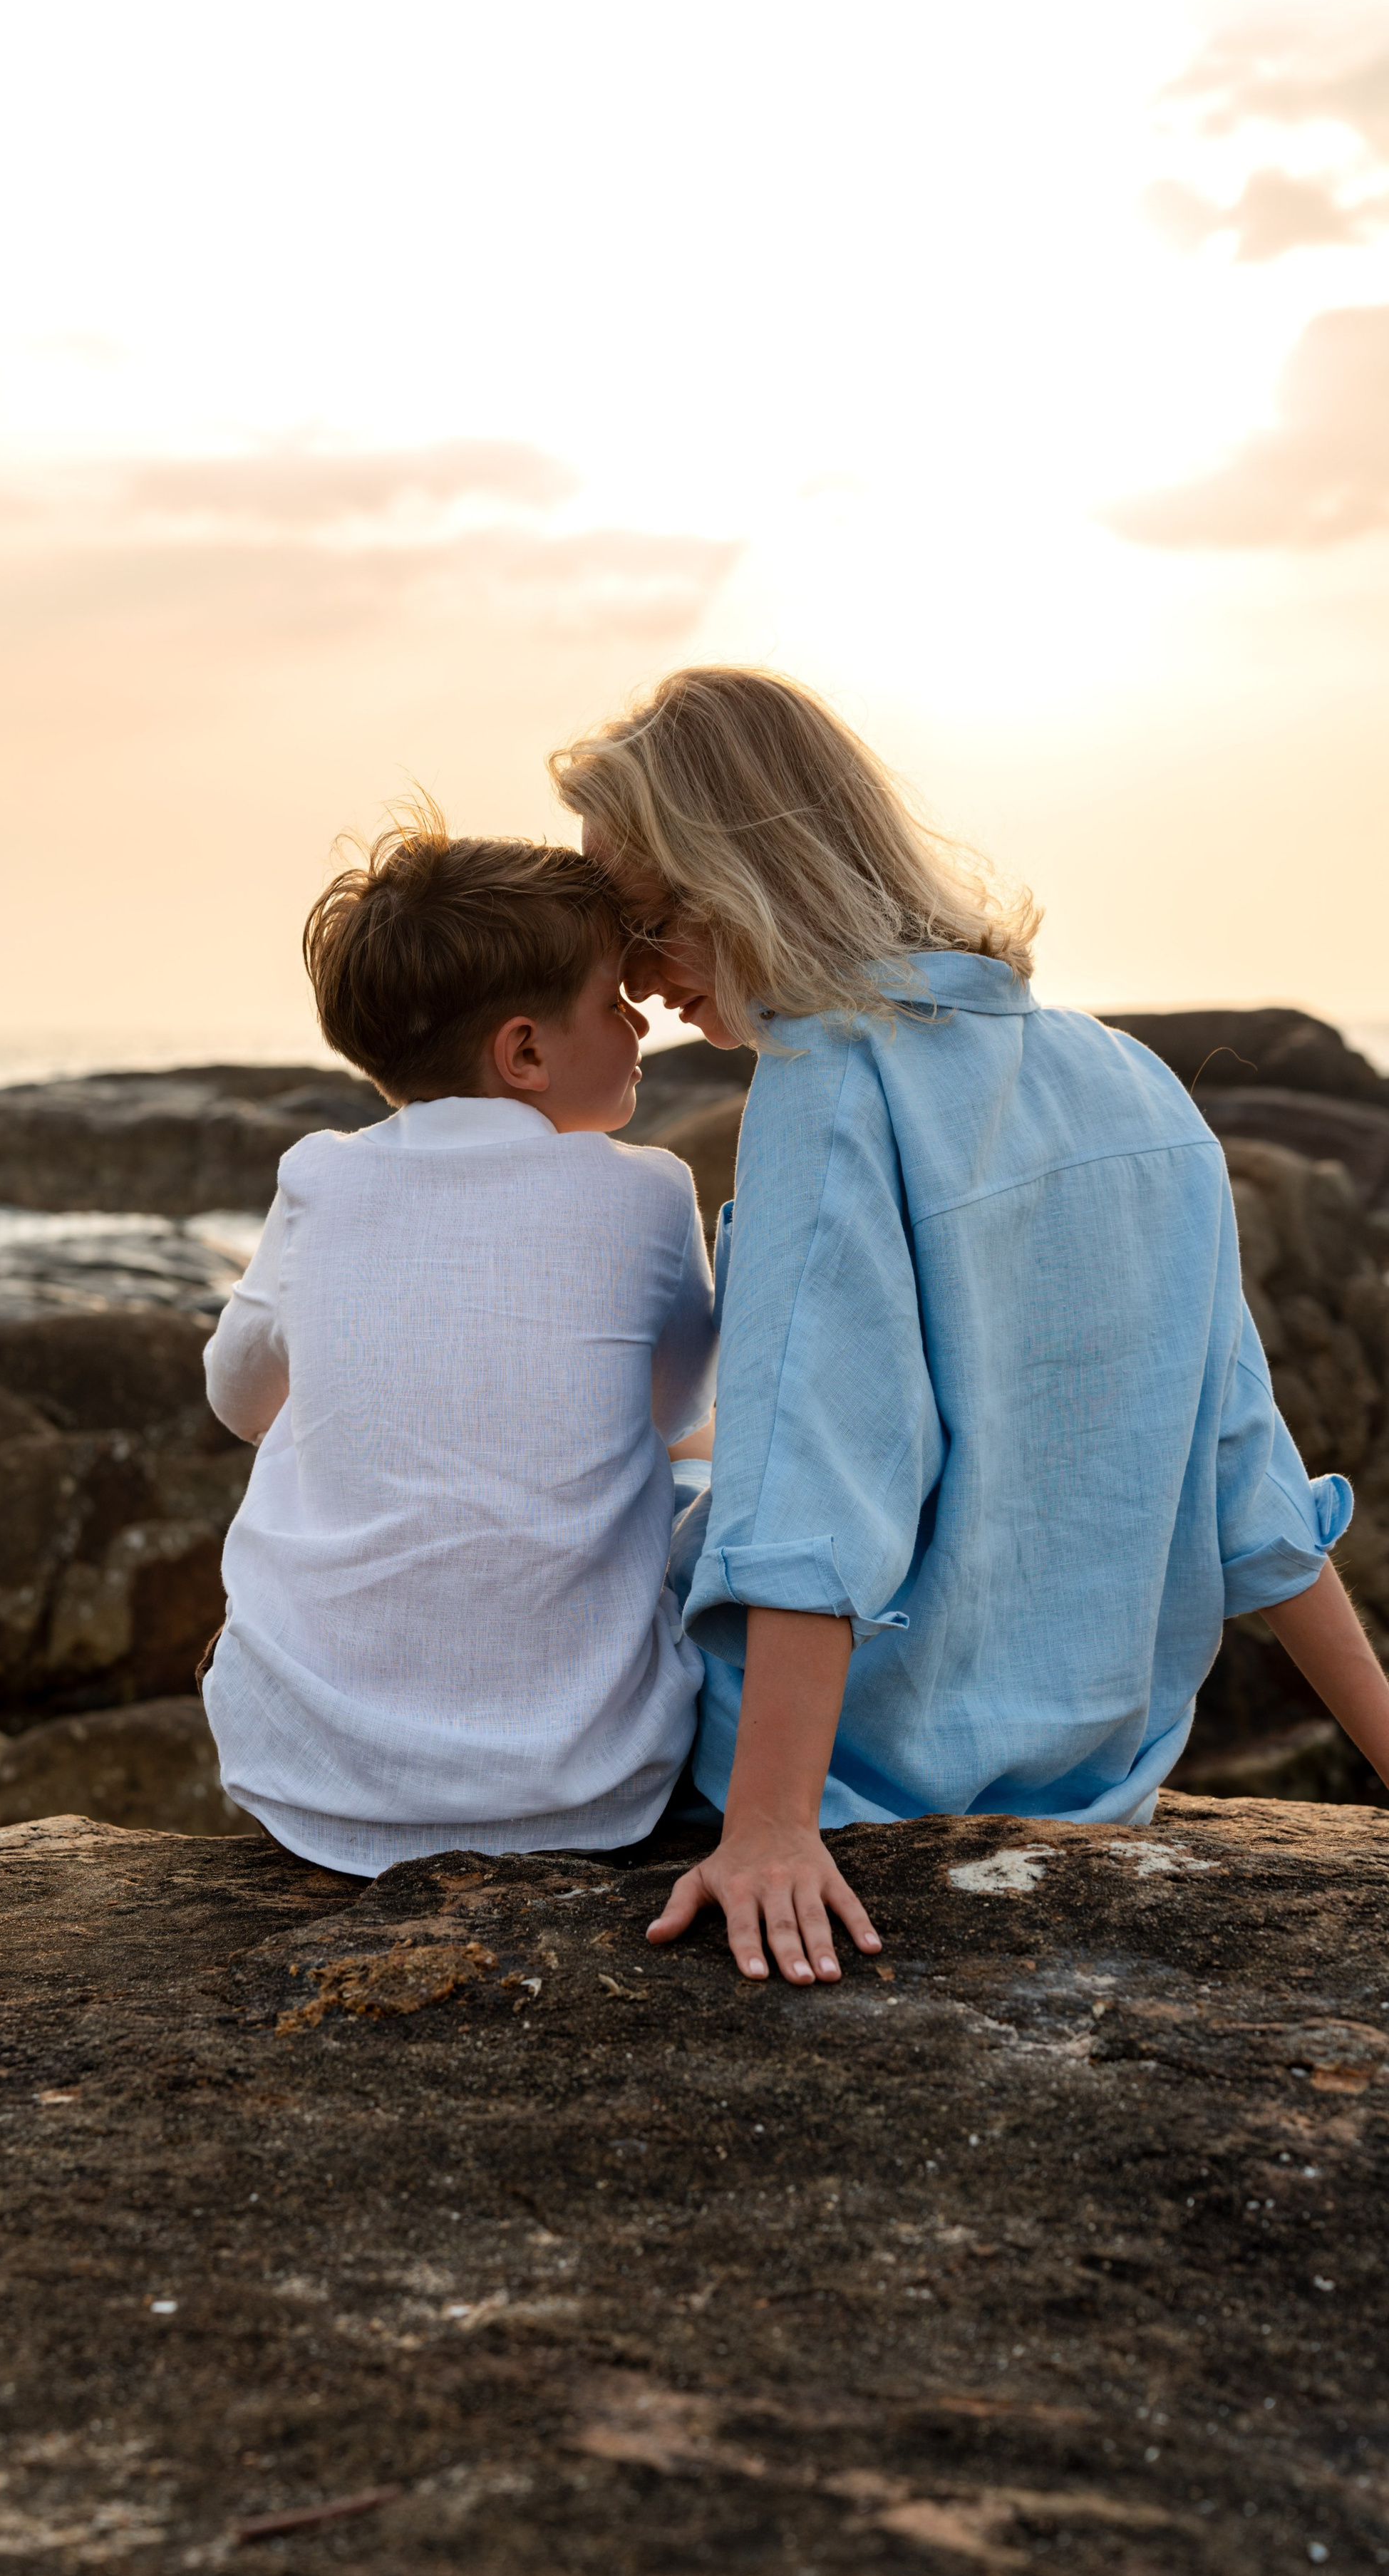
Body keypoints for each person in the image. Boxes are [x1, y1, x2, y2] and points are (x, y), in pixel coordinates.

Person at [551, 664, 1389, 1987]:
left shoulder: (829, 1083)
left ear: (740, 881)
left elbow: (818, 1481)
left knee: (614, 1479)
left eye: (642, 923)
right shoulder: (1137, 1080)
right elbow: (1246, 1480)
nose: (634, 981)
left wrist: (768, 1828)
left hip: (868, 1779)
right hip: (1097, 1780)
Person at [200, 817, 716, 1876]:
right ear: (524, 1050)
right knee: (696, 1470)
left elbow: (236, 1398)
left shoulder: (319, 1177)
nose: (638, 1024)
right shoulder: (649, 1191)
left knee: (298, 1439)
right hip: (593, 1779)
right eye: (615, 1002)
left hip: (309, 1776)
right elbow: (668, 1412)